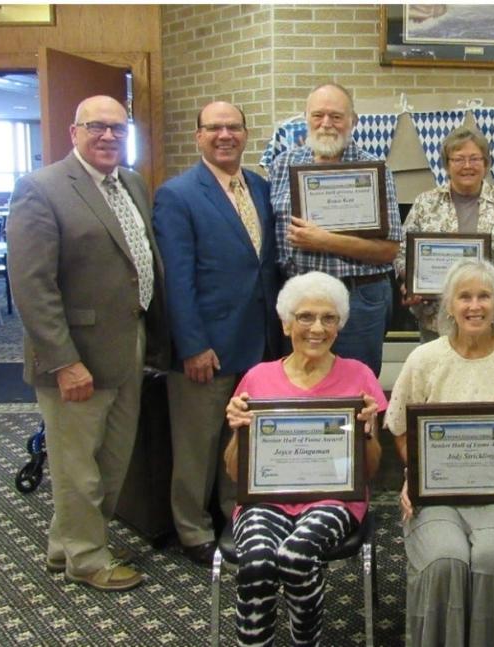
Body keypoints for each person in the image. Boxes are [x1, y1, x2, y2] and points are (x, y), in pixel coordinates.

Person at [7, 95, 170, 591]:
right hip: (73, 356)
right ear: (73, 131)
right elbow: (32, 288)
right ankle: (86, 559)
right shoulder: (41, 188)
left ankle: (71, 541)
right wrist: (64, 362)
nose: (108, 137)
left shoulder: (133, 183)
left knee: (110, 460)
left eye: (118, 129)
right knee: (77, 466)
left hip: (128, 344)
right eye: (96, 127)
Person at [385, 259, 494, 647]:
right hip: (437, 493)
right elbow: (401, 428)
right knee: (445, 561)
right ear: (449, 306)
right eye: (465, 297)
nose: (475, 306)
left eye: (484, 296)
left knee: (492, 558)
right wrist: (415, 477)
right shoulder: (424, 359)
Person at [224, 271, 385, 646]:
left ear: (340, 325)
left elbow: (371, 471)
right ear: (285, 324)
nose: (317, 328)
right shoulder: (257, 377)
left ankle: (305, 640)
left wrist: (366, 433)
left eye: (329, 318)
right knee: (258, 561)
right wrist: (238, 431)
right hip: (266, 497)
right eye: (306, 317)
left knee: (296, 556)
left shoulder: (359, 376)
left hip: (335, 497)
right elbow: (235, 472)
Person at [152, 101, 281, 565]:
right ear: (198, 136)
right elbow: (177, 281)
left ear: (246, 134)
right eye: (213, 128)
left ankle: (236, 516)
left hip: (261, 345)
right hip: (207, 348)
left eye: (233, 127)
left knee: (243, 440)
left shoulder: (263, 189)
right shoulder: (177, 195)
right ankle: (192, 529)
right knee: (198, 444)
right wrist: (192, 345)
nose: (224, 135)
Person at [268, 82, 404, 377]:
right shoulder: (282, 165)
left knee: (356, 387)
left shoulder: (374, 170)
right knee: (297, 384)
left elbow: (389, 249)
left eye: (336, 116)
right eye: (318, 115)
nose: (326, 124)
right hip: (297, 299)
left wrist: (324, 240)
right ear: (306, 118)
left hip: (359, 299)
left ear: (353, 121)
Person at [394, 125, 494, 342]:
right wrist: (412, 280)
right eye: (458, 159)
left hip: (489, 318)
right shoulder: (426, 202)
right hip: (436, 320)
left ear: (486, 164)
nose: (467, 166)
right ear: (447, 165)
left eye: (475, 159)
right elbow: (402, 252)